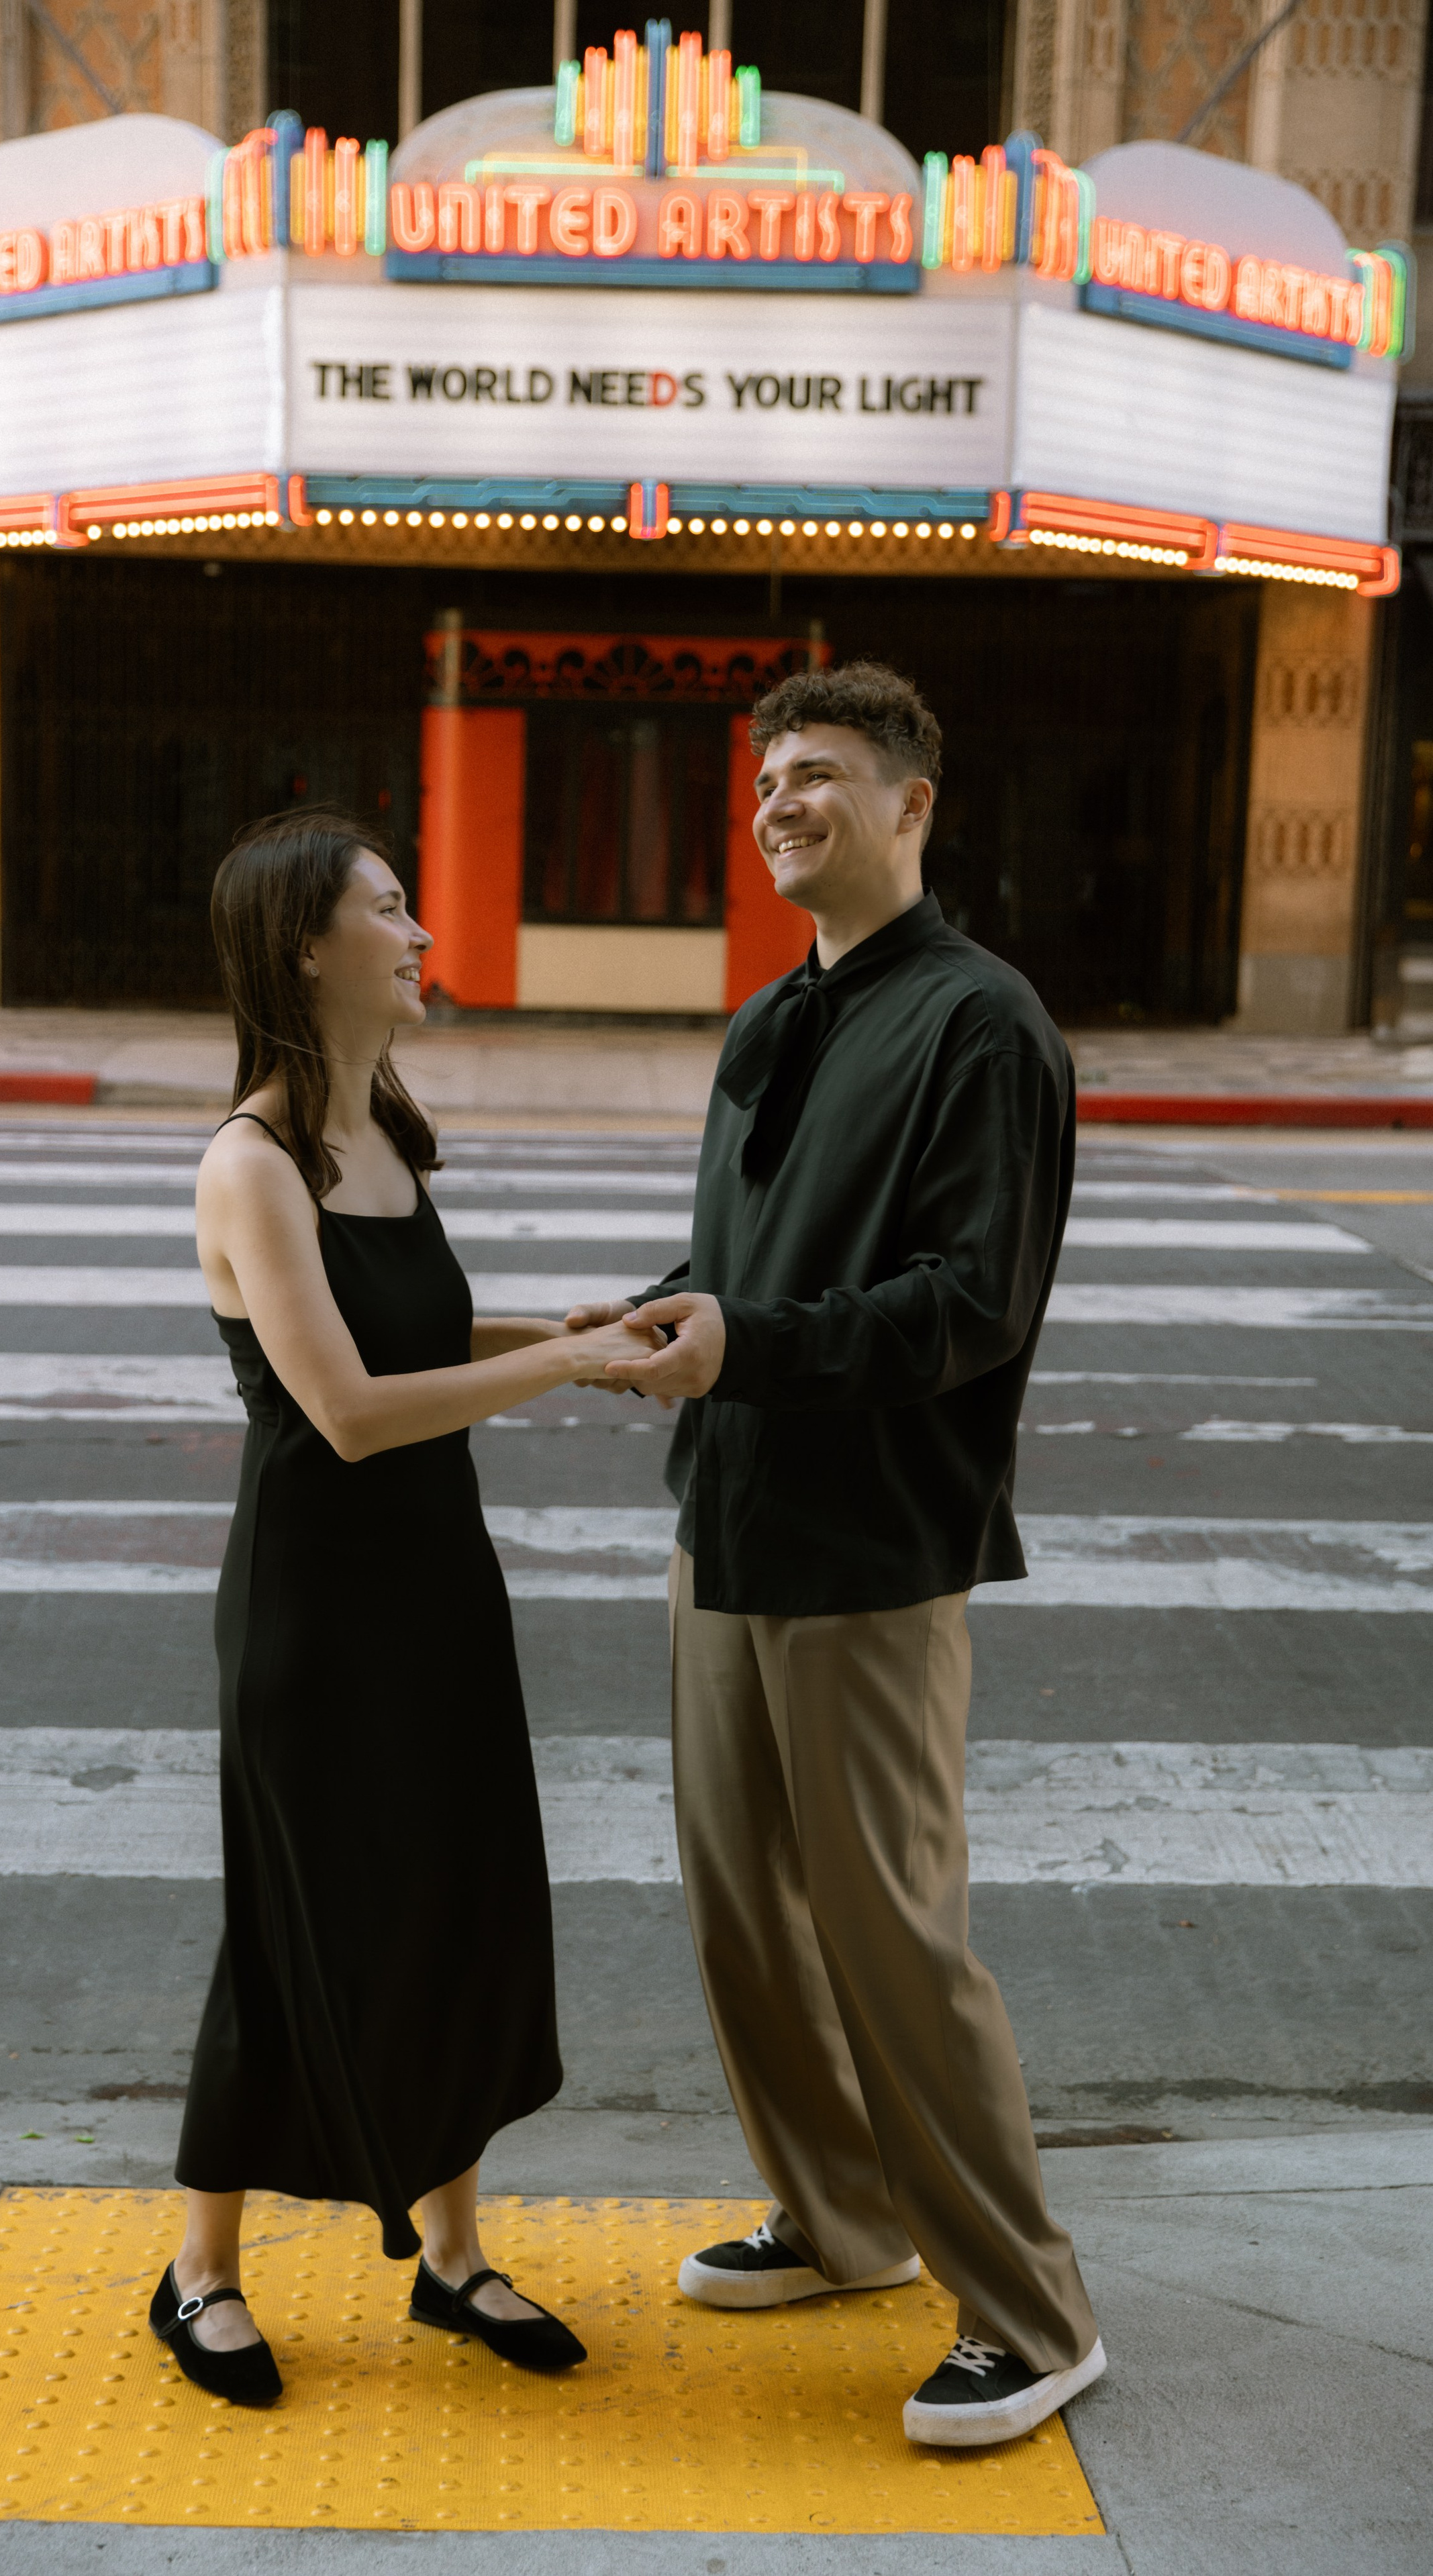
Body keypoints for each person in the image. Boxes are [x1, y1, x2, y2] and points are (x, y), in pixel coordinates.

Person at [572, 662, 1106, 2450]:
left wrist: (755, 1340)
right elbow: (754, 1244)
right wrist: (664, 1312)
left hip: (873, 1540)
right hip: (725, 1518)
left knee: (894, 1936)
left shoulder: (985, 1023)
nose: (778, 804)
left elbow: (969, 1306)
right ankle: (844, 2213)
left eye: (815, 774)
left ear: (912, 802)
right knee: (744, 1913)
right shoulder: (769, 1017)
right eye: (764, 782)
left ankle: (1031, 2309)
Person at [154, 805, 655, 2406]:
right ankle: (198, 2272)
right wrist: (565, 1365)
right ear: (308, 944)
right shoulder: (250, 1159)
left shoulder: (378, 1123)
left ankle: (450, 2259)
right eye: (391, 907)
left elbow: (413, 1321)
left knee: (450, 1901)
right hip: (319, 1606)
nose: (423, 931)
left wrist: (567, 1317)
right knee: (297, 1928)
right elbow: (352, 1410)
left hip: (436, 1584)